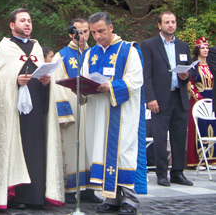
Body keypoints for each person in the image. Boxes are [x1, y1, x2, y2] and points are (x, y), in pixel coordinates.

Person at [0, 8, 64, 209]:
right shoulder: (5, 48)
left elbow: (43, 73)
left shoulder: (37, 48)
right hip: (12, 113)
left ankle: (36, 196)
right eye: (22, 20)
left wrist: (46, 81)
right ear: (12, 25)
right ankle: (15, 195)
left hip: (35, 110)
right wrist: (15, 80)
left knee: (35, 150)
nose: (27, 24)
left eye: (29, 20)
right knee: (15, 149)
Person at [83, 12, 145, 215]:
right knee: (100, 150)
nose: (97, 36)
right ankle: (111, 197)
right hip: (97, 111)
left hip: (121, 111)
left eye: (101, 31)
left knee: (122, 152)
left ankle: (129, 198)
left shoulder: (128, 49)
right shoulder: (91, 53)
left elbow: (135, 80)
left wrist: (109, 86)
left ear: (111, 27)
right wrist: (81, 88)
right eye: (93, 33)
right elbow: (83, 77)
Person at [50, 18, 102, 204]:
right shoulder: (61, 56)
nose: (83, 35)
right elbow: (56, 85)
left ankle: (90, 189)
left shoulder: (95, 54)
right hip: (73, 107)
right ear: (71, 34)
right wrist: (64, 112)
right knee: (73, 149)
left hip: (93, 106)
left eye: (86, 31)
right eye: (79, 32)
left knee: (91, 148)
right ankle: (71, 189)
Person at [141, 11, 194, 187]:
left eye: (173, 22)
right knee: (160, 137)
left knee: (179, 136)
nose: (170, 25)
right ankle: (161, 173)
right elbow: (146, 74)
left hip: (179, 96)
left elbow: (190, 68)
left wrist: (187, 74)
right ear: (159, 25)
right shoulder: (149, 45)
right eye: (167, 22)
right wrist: (150, 98)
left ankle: (178, 172)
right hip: (160, 98)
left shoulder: (183, 45)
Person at [187, 37, 214, 166]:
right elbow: (190, 84)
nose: (205, 50)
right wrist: (200, 99)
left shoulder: (211, 65)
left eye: (207, 47)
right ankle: (198, 160)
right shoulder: (194, 66)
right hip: (198, 100)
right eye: (203, 47)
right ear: (197, 49)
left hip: (212, 99)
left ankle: (212, 158)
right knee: (198, 128)